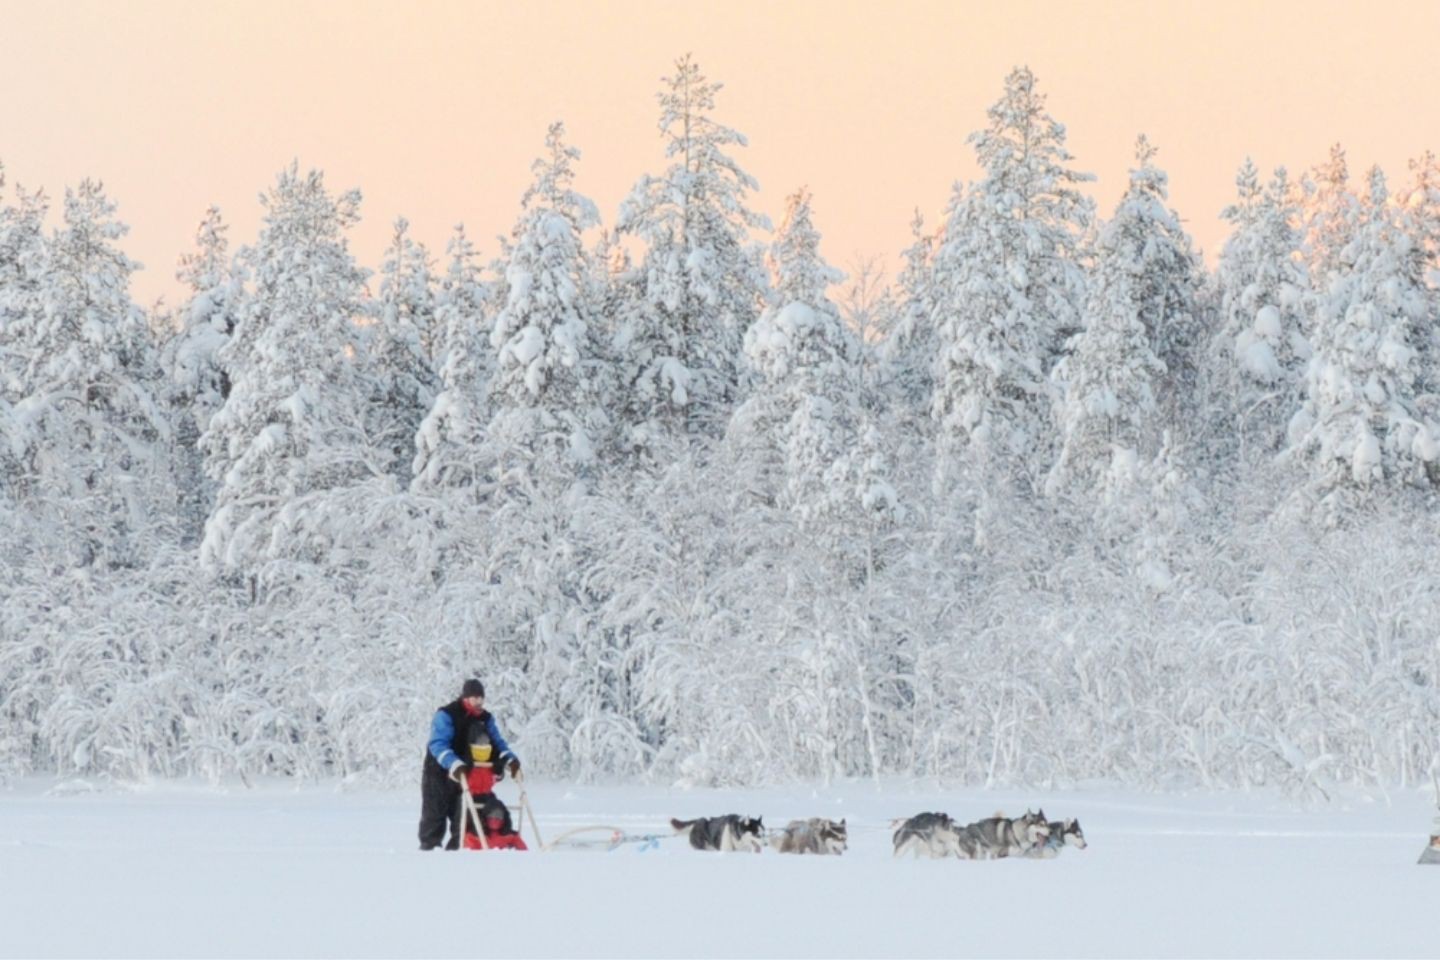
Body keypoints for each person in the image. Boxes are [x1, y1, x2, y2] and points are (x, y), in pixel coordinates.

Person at [418, 678, 521, 850]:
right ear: (465, 698)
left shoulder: (486, 719)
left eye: (481, 699)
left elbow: (498, 743)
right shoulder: (447, 714)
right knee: (434, 816)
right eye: (475, 699)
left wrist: (510, 760)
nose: (479, 703)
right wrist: (454, 763)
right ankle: (429, 852)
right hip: (439, 772)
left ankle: (458, 852)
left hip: (466, 775)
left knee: (464, 817)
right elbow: (438, 744)